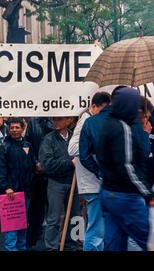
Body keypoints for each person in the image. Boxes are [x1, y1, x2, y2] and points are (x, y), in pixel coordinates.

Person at [96, 87, 154, 251]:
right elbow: (127, 167)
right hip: (126, 197)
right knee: (148, 239)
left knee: (115, 244)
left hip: (107, 193)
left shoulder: (108, 124)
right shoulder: (123, 129)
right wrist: (147, 192)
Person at [69, 92, 111, 251]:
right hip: (92, 181)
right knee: (96, 229)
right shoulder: (86, 120)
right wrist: (94, 145)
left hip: (98, 181)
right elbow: (72, 148)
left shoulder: (95, 120)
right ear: (93, 107)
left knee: (100, 228)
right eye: (102, 110)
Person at [0, 118, 37, 251]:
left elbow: (32, 164)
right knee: (12, 230)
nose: (14, 130)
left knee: (23, 226)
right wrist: (6, 187)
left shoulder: (28, 145)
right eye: (12, 127)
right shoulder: (3, 148)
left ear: (23, 128)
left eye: (17, 127)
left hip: (26, 192)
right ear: (8, 129)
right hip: (11, 194)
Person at [39, 116, 80, 251]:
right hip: (56, 183)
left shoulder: (74, 138)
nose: (55, 122)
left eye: (59, 119)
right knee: (54, 219)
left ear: (68, 121)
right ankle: (51, 247)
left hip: (74, 182)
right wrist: (69, 162)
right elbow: (47, 164)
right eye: (54, 119)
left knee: (75, 218)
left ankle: (72, 245)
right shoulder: (48, 139)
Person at [24, 117, 53, 249]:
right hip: (37, 173)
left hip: (54, 173)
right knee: (35, 210)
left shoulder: (58, 119)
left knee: (55, 211)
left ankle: (55, 242)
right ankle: (32, 241)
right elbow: (27, 145)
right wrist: (35, 162)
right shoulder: (33, 122)